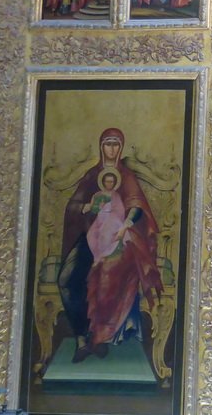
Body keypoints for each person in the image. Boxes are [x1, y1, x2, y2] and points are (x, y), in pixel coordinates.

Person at [57, 128, 163, 363]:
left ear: (121, 147)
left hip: (120, 239)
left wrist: (125, 225)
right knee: (65, 280)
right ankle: (82, 337)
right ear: (101, 147)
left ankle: (98, 337)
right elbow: (74, 207)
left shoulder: (126, 177)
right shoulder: (91, 176)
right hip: (90, 237)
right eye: (108, 144)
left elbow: (137, 206)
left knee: (105, 274)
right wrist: (85, 208)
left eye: (116, 144)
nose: (112, 149)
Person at [84, 168, 162, 348]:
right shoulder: (98, 194)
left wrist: (123, 226)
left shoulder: (121, 193)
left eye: (112, 182)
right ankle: (97, 331)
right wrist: (89, 207)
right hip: (101, 229)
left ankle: (108, 331)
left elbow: (129, 211)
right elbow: (92, 210)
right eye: (107, 181)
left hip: (117, 232)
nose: (109, 184)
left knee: (109, 277)